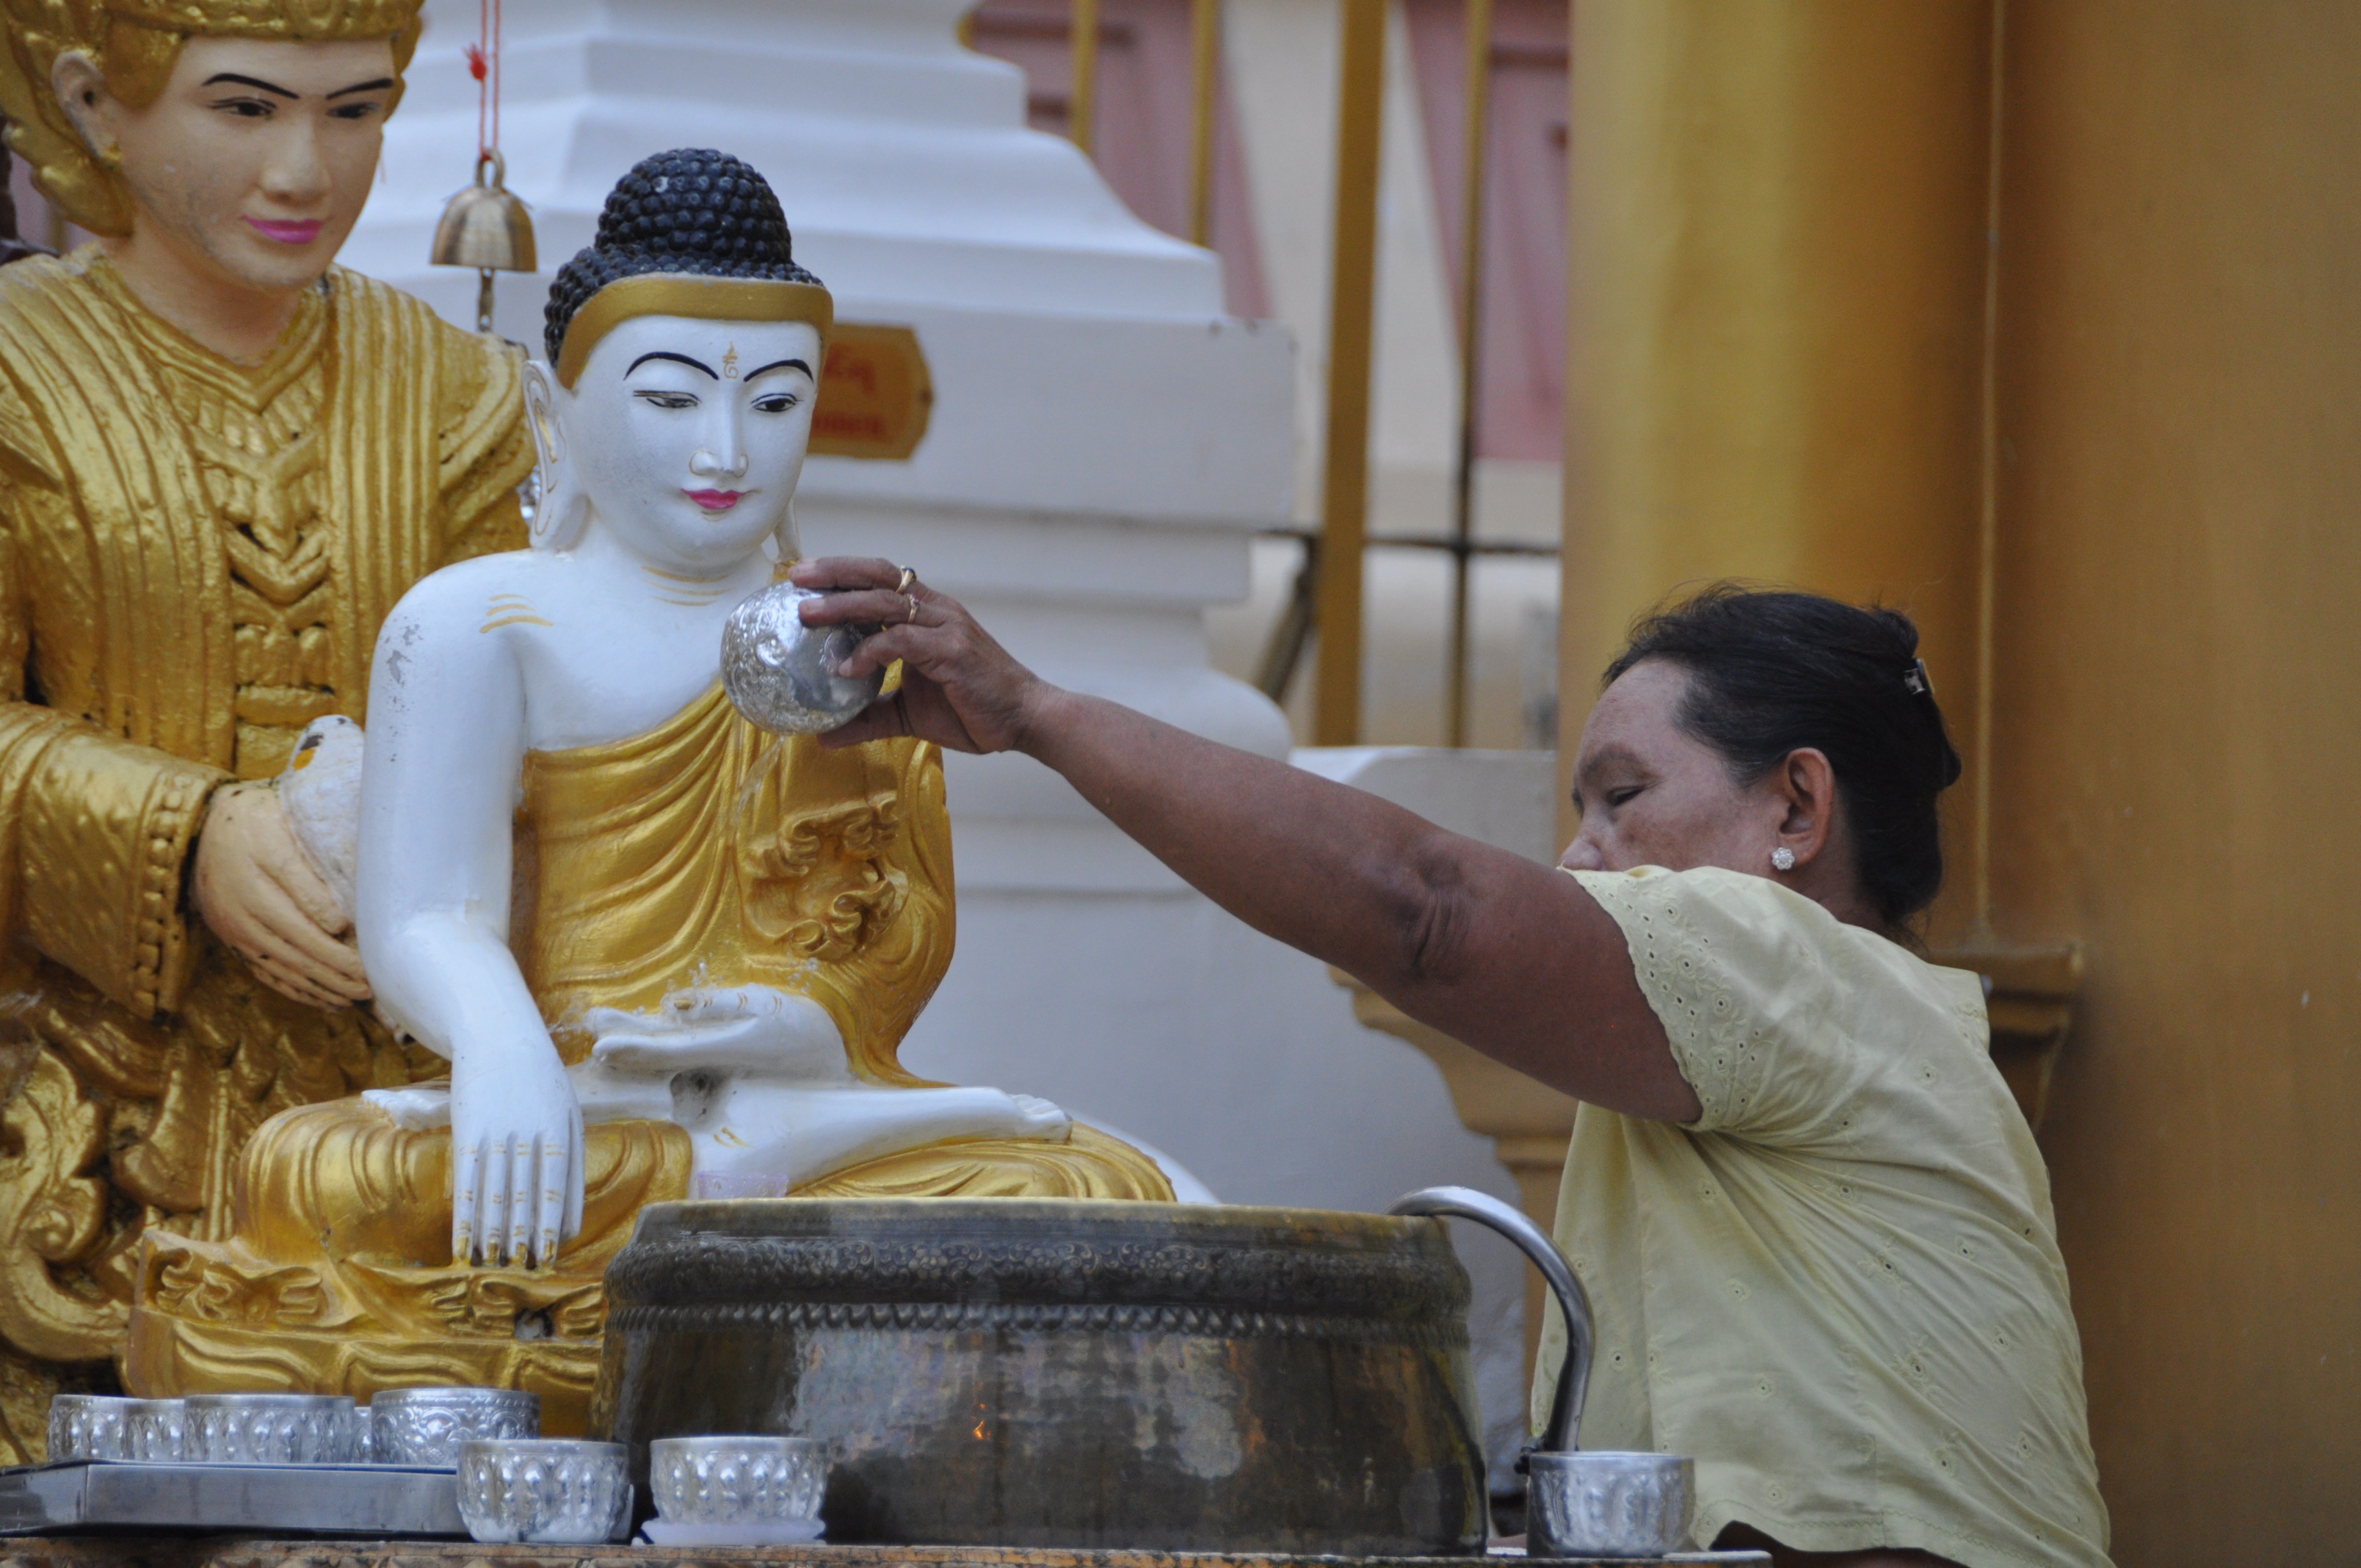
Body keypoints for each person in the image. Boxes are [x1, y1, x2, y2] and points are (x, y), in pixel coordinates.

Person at [124, 150, 1169, 1431]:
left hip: (777, 1111)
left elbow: (893, 935)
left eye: (776, 404)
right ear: (560, 408)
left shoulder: (847, 638)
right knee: (323, 1175)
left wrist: (794, 1025)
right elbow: (422, 920)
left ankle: (695, 1243)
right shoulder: (482, 622)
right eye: (670, 399)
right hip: (561, 1107)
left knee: (1097, 1190)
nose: (725, 450)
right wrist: (506, 1050)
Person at [793, 565, 2113, 1568]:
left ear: (1798, 810)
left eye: (1623, 796)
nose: (1579, 856)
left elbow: (1424, 912)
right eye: (1577, 811)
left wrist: (1035, 714)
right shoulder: (1846, 1026)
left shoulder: (1782, 960)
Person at [0, 0, 528, 1454]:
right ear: (96, 102)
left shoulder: (457, 397)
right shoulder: (16, 372)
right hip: (81, 1152)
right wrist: (178, 835)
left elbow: (553, 749)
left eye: (356, 112)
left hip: (400, 1157)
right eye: (245, 110)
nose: (308, 169)